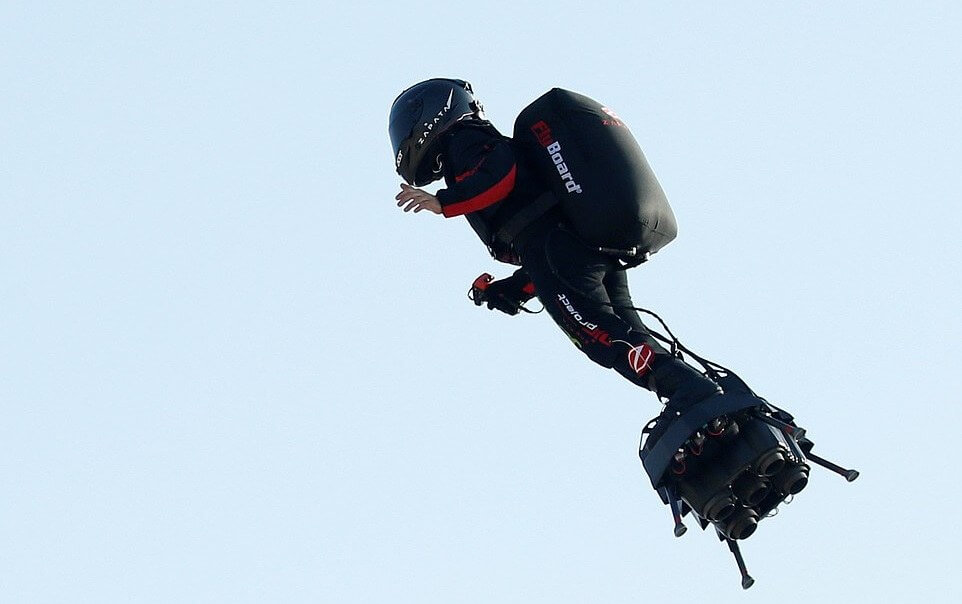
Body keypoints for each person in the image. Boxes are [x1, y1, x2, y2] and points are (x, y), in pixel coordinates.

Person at [389, 78, 720, 434]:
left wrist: (445, 203)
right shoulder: (468, 144)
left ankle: (691, 393)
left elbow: (501, 174)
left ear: (431, 115)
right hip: (571, 246)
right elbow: (534, 235)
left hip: (555, 248)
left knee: (597, 335)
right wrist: (512, 290)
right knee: (627, 332)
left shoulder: (464, 140)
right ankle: (712, 400)